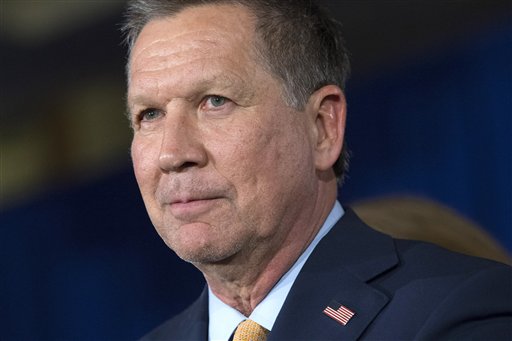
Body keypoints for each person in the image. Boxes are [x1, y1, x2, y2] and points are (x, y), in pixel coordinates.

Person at [122, 0, 512, 339]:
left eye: (215, 102)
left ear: (322, 128)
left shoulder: (456, 311)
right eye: (150, 114)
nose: (171, 153)